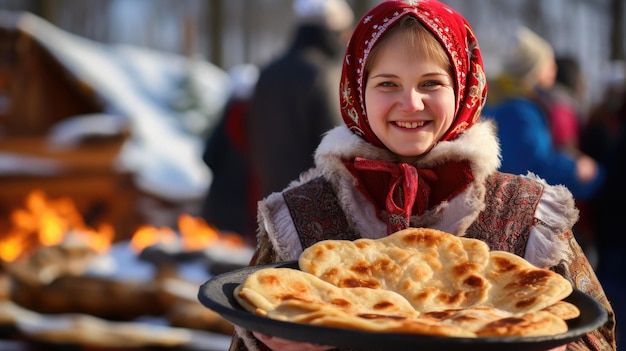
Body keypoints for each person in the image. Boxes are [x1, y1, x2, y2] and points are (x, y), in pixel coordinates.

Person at [228, 1, 616, 350]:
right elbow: (248, 331)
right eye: (387, 84)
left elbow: (597, 333)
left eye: (431, 83)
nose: (410, 103)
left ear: (465, 88)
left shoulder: (526, 215)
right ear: (356, 93)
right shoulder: (300, 216)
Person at [245, 0, 354, 199]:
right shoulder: (325, 74)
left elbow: (252, 138)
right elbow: (338, 144)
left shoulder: (268, 73)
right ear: (334, 32)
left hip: (272, 197)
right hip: (316, 202)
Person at [484, 27, 605, 203]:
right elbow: (532, 166)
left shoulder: (499, 101)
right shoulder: (520, 110)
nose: (554, 69)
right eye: (549, 64)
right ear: (533, 69)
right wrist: (576, 170)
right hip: (512, 205)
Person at [201, 64, 260, 245]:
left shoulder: (227, 117)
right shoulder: (262, 119)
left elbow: (208, 156)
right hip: (248, 204)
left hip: (221, 201)